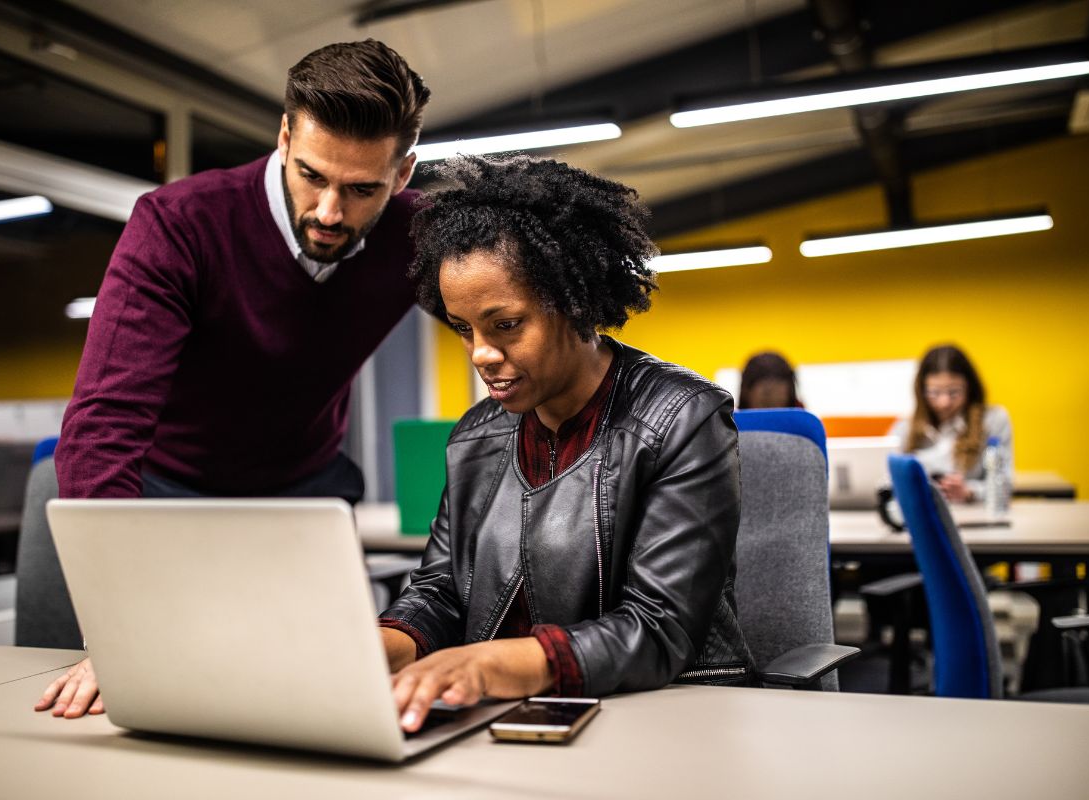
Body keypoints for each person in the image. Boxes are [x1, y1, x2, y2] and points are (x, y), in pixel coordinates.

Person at [37, 39, 430, 718]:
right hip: (158, 490)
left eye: (362, 188)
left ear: (402, 176)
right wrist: (119, 630)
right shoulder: (179, 226)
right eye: (312, 174)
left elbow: (516, 334)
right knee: (142, 696)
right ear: (283, 138)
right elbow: (104, 422)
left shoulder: (418, 237)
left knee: (311, 700)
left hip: (300, 496)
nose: (331, 211)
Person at [378, 155, 754, 734]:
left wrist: (490, 663)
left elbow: (657, 629)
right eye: (463, 329)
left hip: (668, 720)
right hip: (513, 718)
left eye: (505, 325)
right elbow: (442, 591)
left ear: (574, 304)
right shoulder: (476, 437)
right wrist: (380, 649)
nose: (479, 353)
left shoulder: (682, 419)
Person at [889, 344, 1012, 503]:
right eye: (934, 392)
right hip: (920, 514)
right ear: (922, 391)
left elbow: (1005, 486)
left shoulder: (993, 420)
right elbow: (885, 479)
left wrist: (969, 491)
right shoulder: (905, 426)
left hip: (973, 516)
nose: (944, 402)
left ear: (969, 388)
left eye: (954, 392)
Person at [737, 351, 801, 409]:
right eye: (766, 396)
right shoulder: (731, 419)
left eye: (779, 401)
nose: (773, 399)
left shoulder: (804, 419)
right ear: (746, 393)